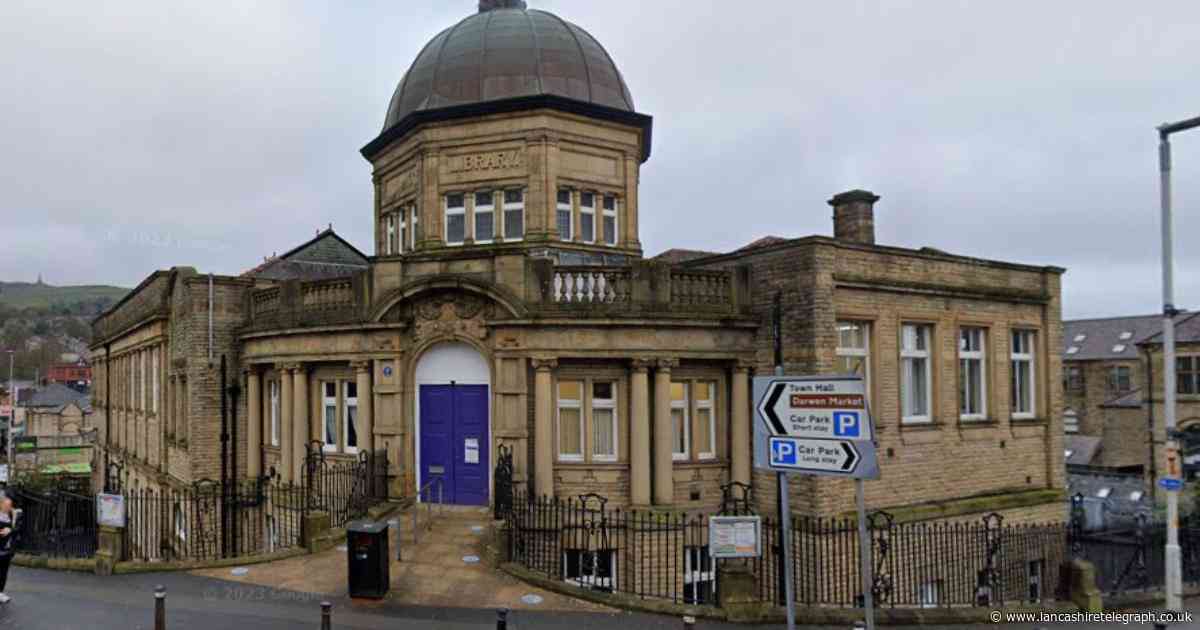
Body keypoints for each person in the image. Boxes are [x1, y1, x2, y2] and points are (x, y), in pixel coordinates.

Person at [0, 496, 18, 604]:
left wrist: (10, 530)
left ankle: (0, 593)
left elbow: (17, 529)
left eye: (10, 505)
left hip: (7, 550)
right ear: (1, 505)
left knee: (3, 572)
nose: (8, 507)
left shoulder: (11, 516)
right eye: (6, 505)